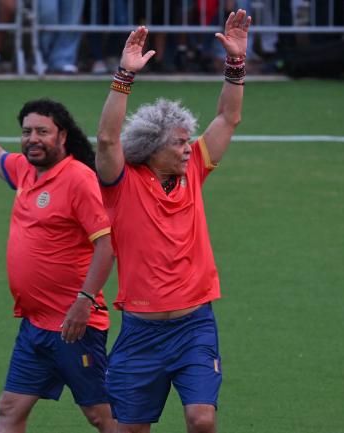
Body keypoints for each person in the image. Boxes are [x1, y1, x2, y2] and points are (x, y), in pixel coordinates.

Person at [0, 79, 116, 433]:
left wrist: (84, 301)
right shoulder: (25, 171)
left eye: (42, 131)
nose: (32, 139)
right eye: (27, 131)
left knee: (101, 416)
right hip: (34, 326)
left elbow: (107, 245)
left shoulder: (79, 179)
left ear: (62, 136)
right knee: (9, 410)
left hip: (76, 326)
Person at [95, 9, 251, 433]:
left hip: (194, 326)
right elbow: (108, 139)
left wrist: (235, 63)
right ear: (151, 146)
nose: (188, 148)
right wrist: (123, 77)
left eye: (188, 142)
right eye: (179, 143)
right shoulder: (122, 183)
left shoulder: (196, 169)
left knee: (202, 420)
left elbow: (227, 118)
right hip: (140, 333)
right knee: (130, 429)